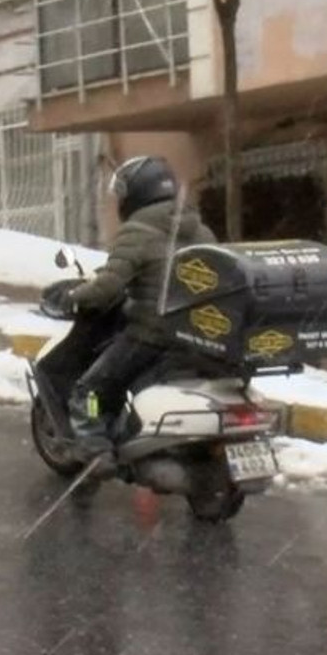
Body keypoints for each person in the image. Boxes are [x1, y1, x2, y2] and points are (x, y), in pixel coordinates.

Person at [61, 155, 217, 462]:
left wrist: (74, 296)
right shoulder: (201, 230)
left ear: (135, 194)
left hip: (151, 336)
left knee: (89, 391)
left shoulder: (137, 231)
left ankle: (96, 450)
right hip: (197, 336)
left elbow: (108, 286)